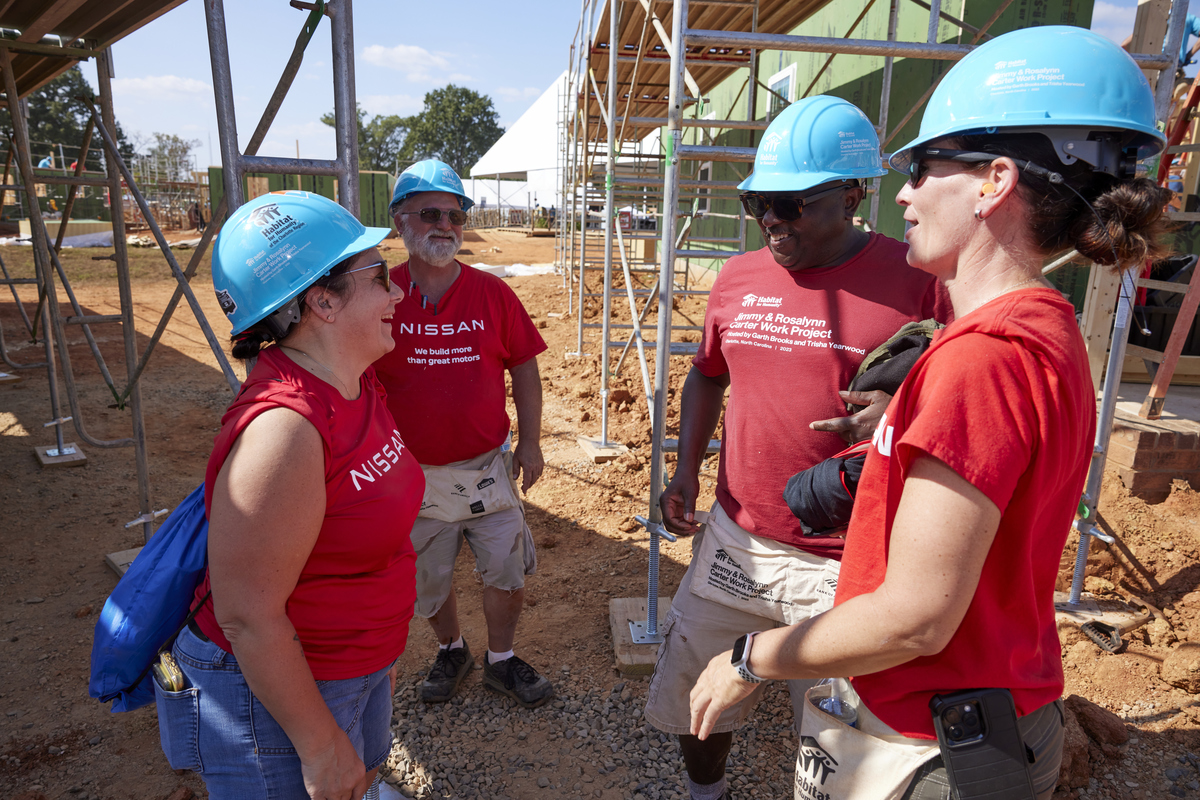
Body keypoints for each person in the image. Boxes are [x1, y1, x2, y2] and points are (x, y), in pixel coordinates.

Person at [688, 26, 1172, 800]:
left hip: (925, 743)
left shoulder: (981, 359)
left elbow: (915, 619)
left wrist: (749, 659)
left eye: (922, 168)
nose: (903, 193)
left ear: (995, 182)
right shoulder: (1043, 328)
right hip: (984, 710)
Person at [648, 95, 952, 800]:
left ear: (852, 194)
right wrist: (685, 472)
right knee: (703, 695)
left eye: (792, 206)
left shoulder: (919, 283)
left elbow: (957, 390)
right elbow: (706, 375)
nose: (771, 224)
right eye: (760, 204)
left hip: (847, 563)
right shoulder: (739, 277)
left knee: (836, 741)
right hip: (738, 540)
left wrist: (897, 410)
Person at [155, 190, 423, 800]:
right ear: (322, 301)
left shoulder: (357, 383)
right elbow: (248, 615)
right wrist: (322, 745)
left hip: (351, 665)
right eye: (379, 276)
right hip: (277, 696)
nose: (397, 292)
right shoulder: (285, 432)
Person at [373, 159, 554, 709]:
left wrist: (529, 440)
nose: (445, 224)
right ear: (400, 222)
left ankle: (501, 660)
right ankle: (451, 649)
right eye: (430, 212)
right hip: (411, 476)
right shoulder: (379, 295)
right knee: (429, 577)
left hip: (485, 468)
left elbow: (524, 365)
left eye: (455, 213)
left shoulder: (492, 295)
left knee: (505, 568)